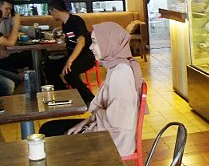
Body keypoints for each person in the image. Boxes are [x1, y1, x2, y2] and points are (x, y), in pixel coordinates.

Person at [39, 22, 142, 156]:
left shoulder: (120, 74)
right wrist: (84, 122)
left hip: (115, 141)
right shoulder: (117, 66)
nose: (90, 47)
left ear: (108, 43)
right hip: (109, 130)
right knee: (49, 128)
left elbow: (117, 121)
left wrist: (89, 121)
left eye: (94, 42)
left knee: (49, 132)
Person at [44, 0, 96, 104]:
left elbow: (81, 42)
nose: (51, 14)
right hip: (74, 56)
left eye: (50, 12)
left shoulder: (76, 20)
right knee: (49, 67)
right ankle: (64, 94)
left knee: (69, 72)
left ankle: (91, 100)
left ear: (54, 10)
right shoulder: (65, 24)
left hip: (86, 57)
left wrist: (69, 61)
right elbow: (71, 39)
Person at [0, 0, 31, 72]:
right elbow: (2, 53)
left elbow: (24, 29)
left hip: (6, 55)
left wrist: (38, 30)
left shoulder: (7, 20)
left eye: (10, 9)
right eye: (6, 9)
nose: (9, 12)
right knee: (30, 57)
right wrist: (16, 24)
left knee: (31, 55)